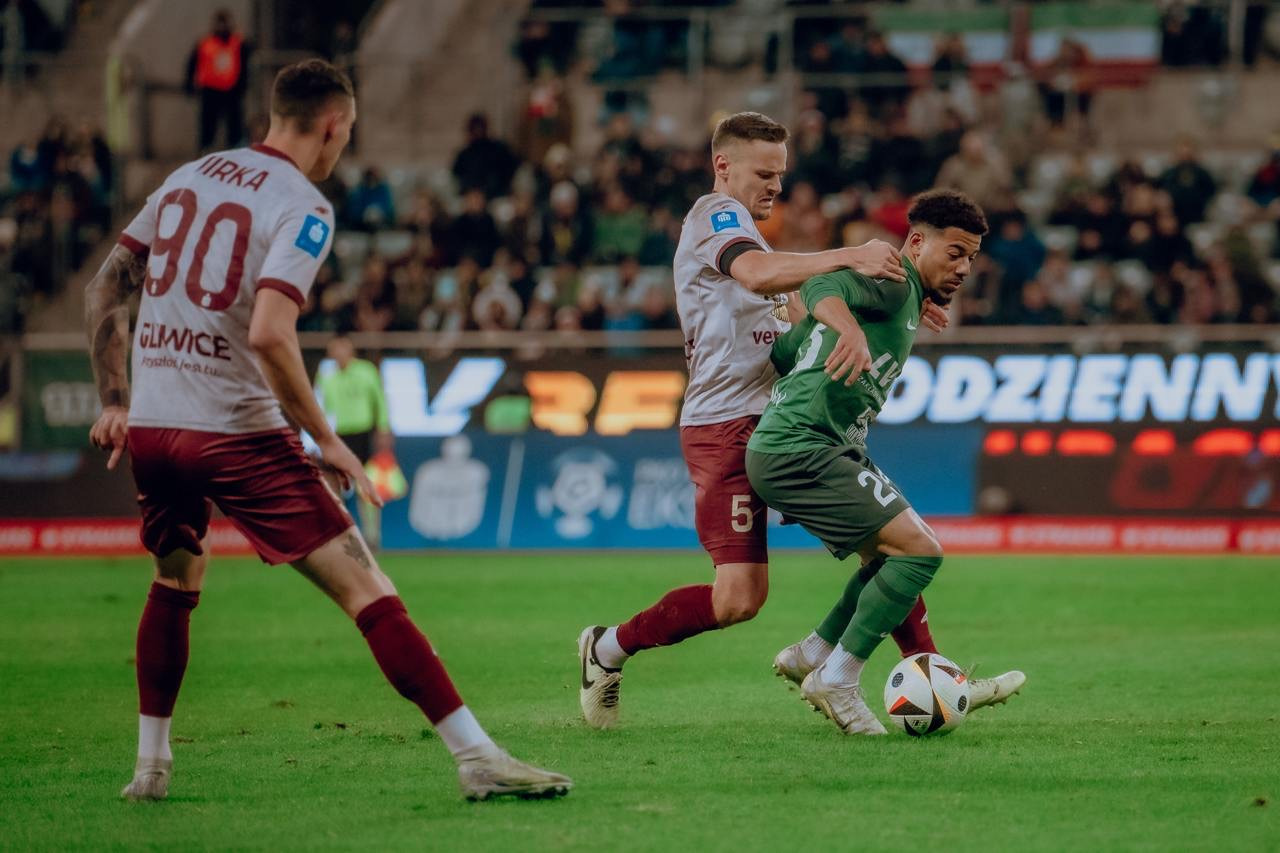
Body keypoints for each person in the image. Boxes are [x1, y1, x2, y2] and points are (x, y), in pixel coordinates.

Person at [84, 59, 570, 801]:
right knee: (367, 586)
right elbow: (270, 333)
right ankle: (475, 755)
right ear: (335, 126)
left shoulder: (188, 176)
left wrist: (114, 399)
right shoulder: (301, 203)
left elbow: (105, 286)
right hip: (235, 430)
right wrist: (327, 439)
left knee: (175, 577)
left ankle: (150, 768)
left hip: (153, 426)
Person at [577, 111, 935, 729]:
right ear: (724, 166)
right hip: (723, 424)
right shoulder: (714, 218)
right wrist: (853, 254)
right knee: (738, 599)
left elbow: (800, 322)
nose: (777, 186)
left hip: (786, 424)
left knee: (886, 539)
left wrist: (902, 304)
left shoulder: (760, 242)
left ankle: (920, 669)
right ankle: (607, 648)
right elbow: (754, 273)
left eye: (781, 174)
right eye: (765, 174)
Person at [745, 189, 1024, 735]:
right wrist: (849, 329)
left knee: (889, 557)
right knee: (920, 552)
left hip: (811, 445)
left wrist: (832, 327)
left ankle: (814, 653)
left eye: (971, 257)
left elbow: (788, 352)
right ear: (916, 242)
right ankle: (836, 677)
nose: (965, 268)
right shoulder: (892, 282)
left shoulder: (905, 295)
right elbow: (821, 285)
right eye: (955, 253)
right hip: (801, 445)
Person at [315, 334, 392, 549]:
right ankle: (340, 532)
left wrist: (383, 428)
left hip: (363, 433)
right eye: (334, 349)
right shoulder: (326, 375)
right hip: (337, 435)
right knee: (335, 483)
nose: (338, 353)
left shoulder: (366, 371)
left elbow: (380, 400)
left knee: (365, 482)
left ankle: (372, 534)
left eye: (341, 348)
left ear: (350, 350)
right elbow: (319, 406)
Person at [186, 9, 249, 152]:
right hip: (210, 90)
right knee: (207, 125)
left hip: (232, 90)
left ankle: (236, 150)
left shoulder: (238, 42)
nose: (222, 27)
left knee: (235, 125)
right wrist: (189, 84)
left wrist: (243, 86)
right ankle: (205, 150)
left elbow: (245, 64)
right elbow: (192, 63)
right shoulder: (205, 43)